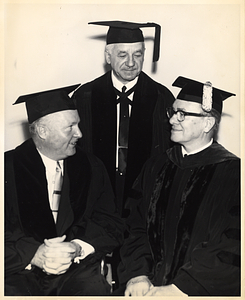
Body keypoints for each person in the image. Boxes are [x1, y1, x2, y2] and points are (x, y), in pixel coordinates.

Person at [117, 76, 240, 296]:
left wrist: (180, 289)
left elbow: (232, 245)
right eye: (172, 112)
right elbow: (133, 224)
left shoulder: (232, 174)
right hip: (146, 285)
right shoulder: (156, 165)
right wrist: (137, 275)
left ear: (208, 123)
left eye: (182, 114)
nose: (173, 120)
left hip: (197, 289)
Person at [4, 84, 124, 296]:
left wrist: (77, 247)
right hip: (19, 270)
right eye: (70, 127)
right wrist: (34, 254)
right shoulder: (7, 169)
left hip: (76, 269)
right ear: (42, 131)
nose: (80, 133)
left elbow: (110, 221)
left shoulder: (91, 167)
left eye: (78, 124)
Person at [72, 21, 175, 216]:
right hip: (96, 195)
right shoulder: (86, 96)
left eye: (138, 55)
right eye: (122, 55)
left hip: (145, 198)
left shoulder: (161, 97)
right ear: (107, 56)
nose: (130, 62)